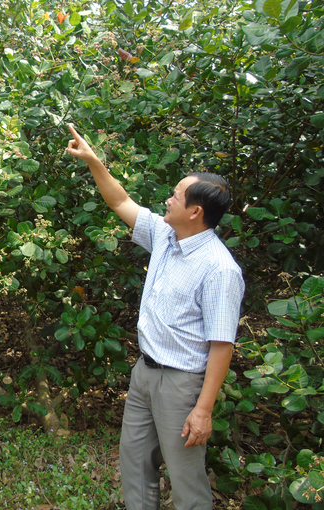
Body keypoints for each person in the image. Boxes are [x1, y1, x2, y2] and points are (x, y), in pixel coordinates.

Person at [66, 125, 244, 510]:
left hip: (181, 386)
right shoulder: (165, 236)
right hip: (145, 373)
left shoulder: (218, 269)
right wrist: (94, 161)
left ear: (195, 211)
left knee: (185, 479)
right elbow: (120, 201)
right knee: (134, 464)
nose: (167, 200)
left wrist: (203, 409)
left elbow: (221, 344)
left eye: (176, 196)